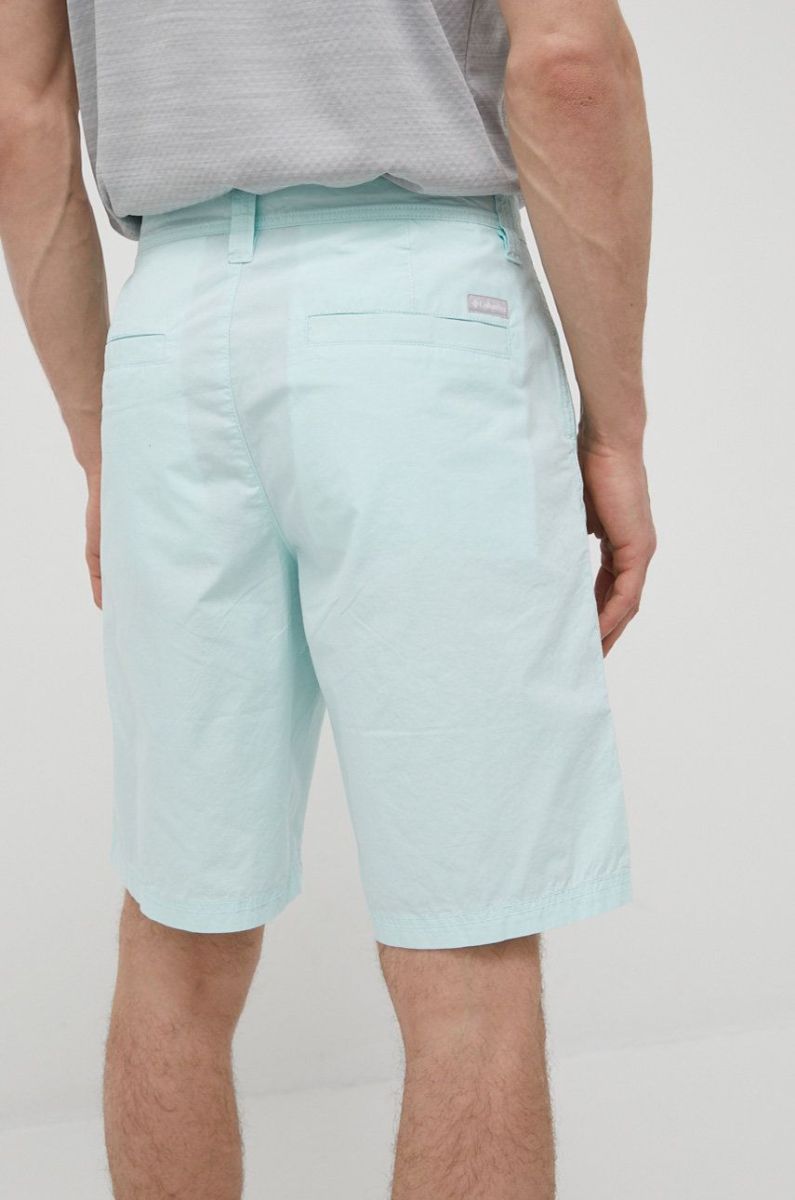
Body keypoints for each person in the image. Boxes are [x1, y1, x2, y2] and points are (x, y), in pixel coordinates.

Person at [0, 0, 655, 1196]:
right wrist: (615, 429)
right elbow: (568, 62)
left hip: (171, 329)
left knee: (178, 926)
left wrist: (104, 446)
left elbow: (21, 111)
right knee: (466, 953)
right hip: (417, 303)